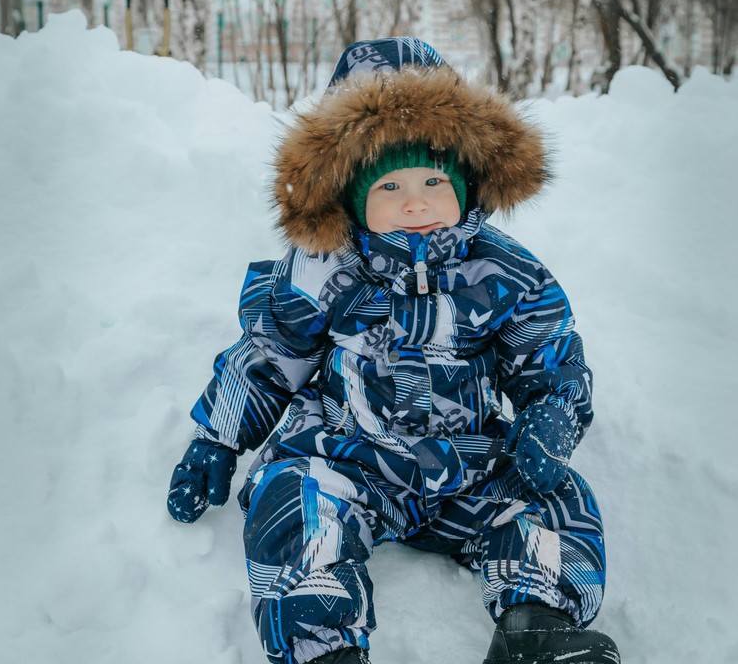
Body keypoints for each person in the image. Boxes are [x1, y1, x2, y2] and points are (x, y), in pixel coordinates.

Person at [167, 37, 620, 664]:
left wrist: (553, 414)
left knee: (551, 498)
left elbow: (551, 353)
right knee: (294, 503)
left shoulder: (503, 270)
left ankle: (534, 623)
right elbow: (272, 356)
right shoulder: (325, 270)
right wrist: (217, 437)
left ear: (466, 180)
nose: (416, 202)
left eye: (435, 179)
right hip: (349, 455)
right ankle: (324, 645)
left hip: (465, 463)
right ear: (350, 194)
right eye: (390, 185)